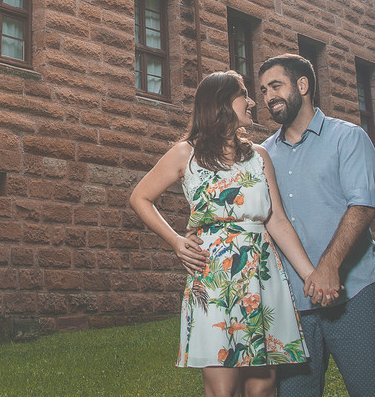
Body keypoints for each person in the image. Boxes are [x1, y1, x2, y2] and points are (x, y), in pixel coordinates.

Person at [130, 70, 317, 397]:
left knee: (263, 385)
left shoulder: (259, 156)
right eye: (244, 93)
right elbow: (140, 197)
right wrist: (175, 241)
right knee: (223, 387)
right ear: (220, 103)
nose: (252, 101)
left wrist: (310, 274)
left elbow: (277, 222)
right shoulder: (184, 154)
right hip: (214, 278)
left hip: (261, 275)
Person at [256, 54, 375, 397]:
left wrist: (329, 266)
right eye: (263, 90)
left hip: (354, 298)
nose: (267, 96)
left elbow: (362, 206)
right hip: (291, 308)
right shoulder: (261, 155)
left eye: (276, 86)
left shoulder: (348, 138)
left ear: (302, 85)